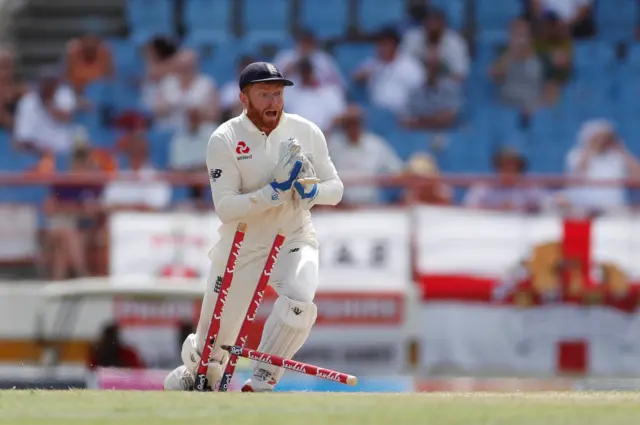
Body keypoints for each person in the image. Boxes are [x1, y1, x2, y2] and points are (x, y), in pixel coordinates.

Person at [163, 62, 343, 392]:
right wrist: (274, 191)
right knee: (209, 361)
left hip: (293, 235)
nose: (274, 101)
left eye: (278, 93)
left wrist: (313, 191)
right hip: (242, 243)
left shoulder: (306, 131)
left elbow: (337, 188)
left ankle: (261, 381)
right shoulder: (225, 138)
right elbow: (225, 208)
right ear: (244, 98)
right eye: (264, 94)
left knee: (300, 302)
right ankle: (192, 374)